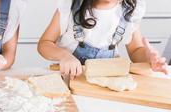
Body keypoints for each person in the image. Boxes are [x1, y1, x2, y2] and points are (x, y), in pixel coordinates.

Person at [38, 0, 169, 79]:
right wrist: (64, 56)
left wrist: (148, 58)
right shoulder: (70, 7)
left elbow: (136, 50)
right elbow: (44, 44)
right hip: (71, 79)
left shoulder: (130, 10)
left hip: (107, 83)